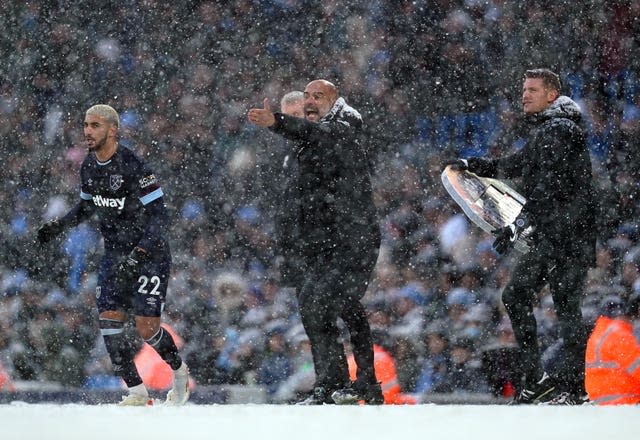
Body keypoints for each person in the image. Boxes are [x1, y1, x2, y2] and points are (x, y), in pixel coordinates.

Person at [447, 68, 596, 404]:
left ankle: (562, 386)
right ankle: (553, 384)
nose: (524, 95)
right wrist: (476, 164)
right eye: (523, 89)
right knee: (556, 306)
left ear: (552, 95)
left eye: (532, 89)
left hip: (565, 236)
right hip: (563, 235)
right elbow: (521, 163)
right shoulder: (554, 129)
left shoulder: (558, 130)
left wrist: (518, 223)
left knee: (552, 304)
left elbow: (550, 187)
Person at [36, 104, 190, 406]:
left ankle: (180, 372)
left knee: (147, 330)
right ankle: (136, 392)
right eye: (85, 125)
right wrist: (59, 226)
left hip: (149, 254)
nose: (87, 131)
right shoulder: (89, 166)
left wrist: (141, 252)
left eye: (94, 125)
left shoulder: (134, 165)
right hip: (115, 254)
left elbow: (160, 217)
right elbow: (86, 207)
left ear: (112, 130)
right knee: (109, 321)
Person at [248, 80, 383, 404]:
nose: (307, 107)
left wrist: (278, 123)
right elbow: (295, 204)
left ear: (333, 101)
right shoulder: (302, 149)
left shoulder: (342, 127)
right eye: (303, 100)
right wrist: (291, 248)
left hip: (351, 239)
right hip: (322, 243)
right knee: (333, 308)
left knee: (323, 304)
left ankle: (344, 382)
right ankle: (341, 384)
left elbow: (319, 139)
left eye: (315, 98)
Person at [585, 294, 640, 405]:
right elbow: (637, 367)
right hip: (625, 403)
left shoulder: (600, 333)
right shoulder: (619, 335)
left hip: (605, 402)